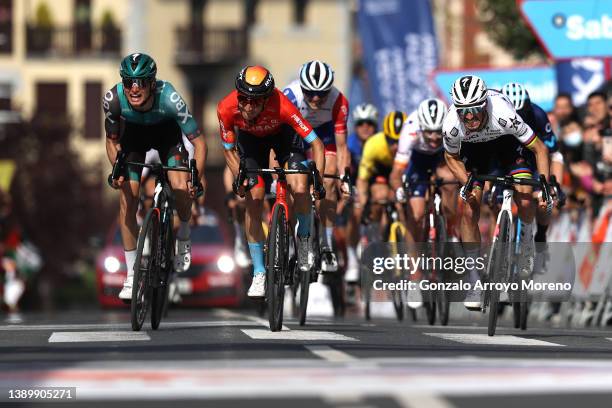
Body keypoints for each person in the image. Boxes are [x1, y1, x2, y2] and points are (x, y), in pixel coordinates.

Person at [104, 53, 207, 301]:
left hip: (167, 137)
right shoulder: (113, 98)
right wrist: (116, 170)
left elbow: (200, 144)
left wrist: (196, 179)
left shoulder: (170, 98)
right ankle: (131, 276)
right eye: (129, 82)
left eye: (141, 82)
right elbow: (112, 140)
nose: (134, 88)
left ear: (152, 82)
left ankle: (182, 233)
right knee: (128, 198)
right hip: (134, 139)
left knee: (180, 186)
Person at [442, 75, 551, 309]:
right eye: (464, 112)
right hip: (476, 151)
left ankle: (527, 241)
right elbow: (450, 156)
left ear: (485, 104)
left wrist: (544, 185)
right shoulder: (452, 123)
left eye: (475, 110)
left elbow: (539, 149)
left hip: (508, 145)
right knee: (470, 208)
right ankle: (474, 282)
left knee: (524, 193)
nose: (469, 117)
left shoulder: (503, 112)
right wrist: (466, 182)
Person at [217, 65, 326, 298]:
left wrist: (318, 179)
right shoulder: (226, 107)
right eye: (243, 99)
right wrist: (240, 177)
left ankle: (305, 241)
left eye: (255, 101)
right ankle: (259, 272)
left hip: (285, 138)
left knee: (299, 187)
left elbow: (316, 144)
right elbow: (228, 151)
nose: (247, 106)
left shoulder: (283, 105)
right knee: (254, 200)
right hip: (251, 144)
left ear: (267, 99)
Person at [283, 60, 350, 272]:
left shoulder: (339, 100)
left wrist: (343, 176)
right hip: (296, 136)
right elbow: (277, 140)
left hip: (325, 133)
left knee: (329, 180)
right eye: (310, 93)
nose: (315, 98)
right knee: (295, 185)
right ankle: (291, 238)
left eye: (321, 94)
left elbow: (341, 146)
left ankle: (326, 242)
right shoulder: (289, 96)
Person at [501, 82, 564, 246]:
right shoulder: (493, 117)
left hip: (533, 158)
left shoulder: (538, 115)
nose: (516, 121)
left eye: (521, 115)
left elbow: (555, 154)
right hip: (506, 155)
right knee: (494, 199)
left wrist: (555, 183)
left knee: (544, 202)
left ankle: (540, 235)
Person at [390, 98, 457, 244]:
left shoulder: (453, 124)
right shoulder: (410, 130)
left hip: (442, 156)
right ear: (421, 127)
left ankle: (451, 229)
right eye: (429, 133)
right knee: (416, 215)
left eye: (438, 132)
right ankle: (414, 265)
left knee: (450, 183)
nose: (434, 138)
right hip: (418, 160)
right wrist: (399, 190)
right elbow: (395, 174)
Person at [354, 111, 406, 232]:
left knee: (403, 205)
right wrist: (363, 202)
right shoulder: (373, 144)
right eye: (391, 141)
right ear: (385, 136)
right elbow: (362, 179)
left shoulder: (413, 143)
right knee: (380, 196)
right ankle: (377, 232)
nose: (395, 147)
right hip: (381, 172)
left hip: (401, 172)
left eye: (400, 141)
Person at [345, 103, 378, 282]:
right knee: (355, 212)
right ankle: (351, 259)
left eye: (369, 123)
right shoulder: (350, 144)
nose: (365, 127)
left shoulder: (381, 143)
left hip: (376, 182)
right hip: (356, 182)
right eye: (360, 123)